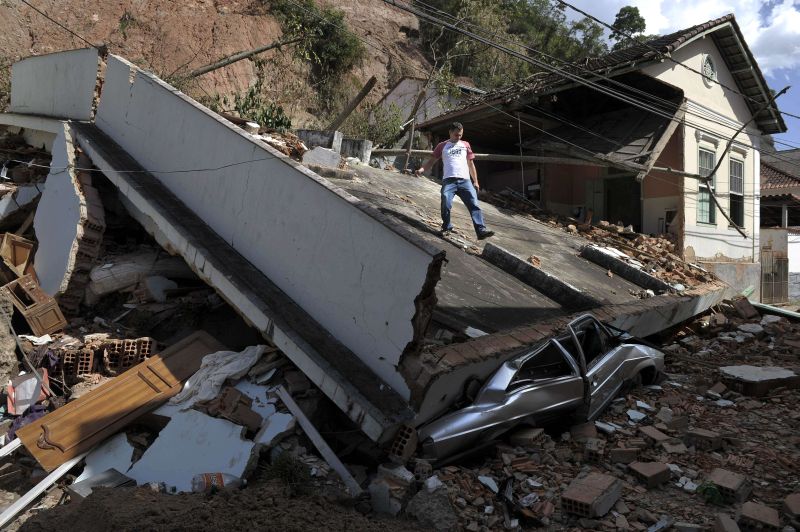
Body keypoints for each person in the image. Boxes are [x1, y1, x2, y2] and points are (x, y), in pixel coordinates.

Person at [415, 122, 495, 239]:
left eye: (460, 135)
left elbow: (471, 164)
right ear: (450, 133)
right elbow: (432, 161)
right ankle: (446, 227)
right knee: (446, 201)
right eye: (456, 135)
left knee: (474, 204)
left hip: (465, 181)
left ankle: (481, 230)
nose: (458, 137)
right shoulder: (442, 146)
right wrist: (421, 169)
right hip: (449, 181)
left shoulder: (465, 145)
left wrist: (476, 181)